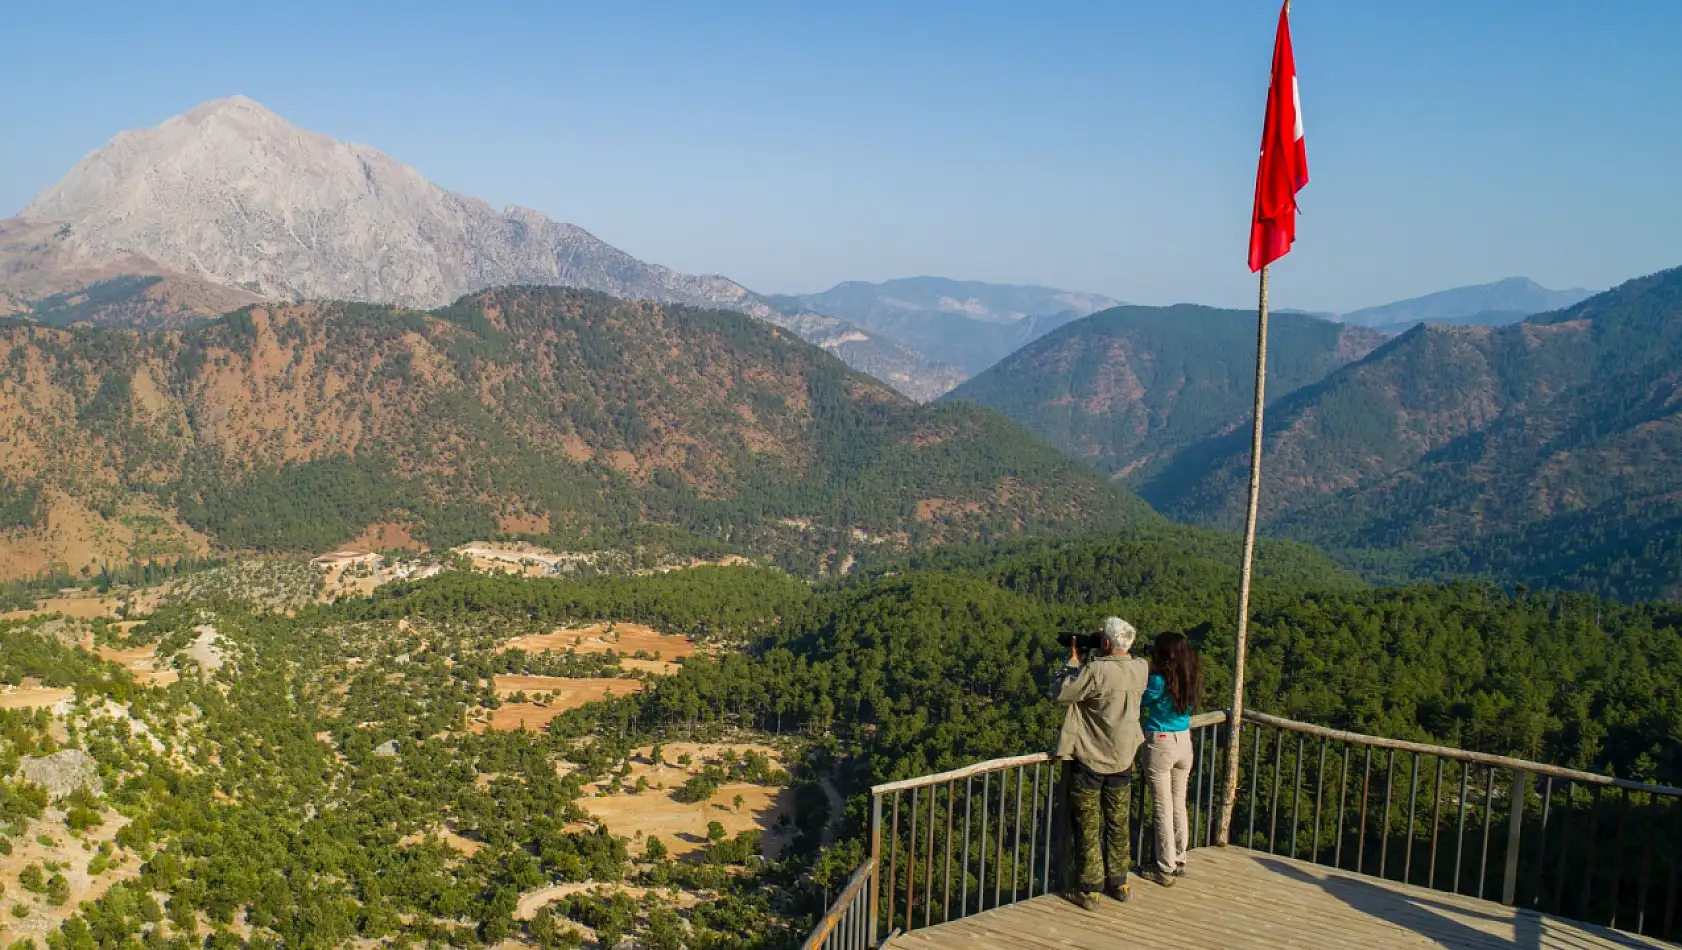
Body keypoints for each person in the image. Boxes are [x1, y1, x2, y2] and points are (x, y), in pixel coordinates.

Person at [1051, 616, 1149, 911]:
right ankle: (1119, 881)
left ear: (1105, 643)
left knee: (1088, 825)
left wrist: (1075, 658)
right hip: (1124, 758)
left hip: (1092, 758)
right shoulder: (1140, 668)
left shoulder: (1096, 671)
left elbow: (1060, 693)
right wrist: (1105, 645)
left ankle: (1090, 889)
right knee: (1118, 823)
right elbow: (1119, 662)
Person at [1138, 631, 1204, 887]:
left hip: (1161, 742)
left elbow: (1141, 699)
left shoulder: (1158, 681)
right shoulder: (1191, 675)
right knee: (1178, 803)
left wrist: (1150, 669)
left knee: (1162, 807)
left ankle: (1164, 867)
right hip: (1184, 741)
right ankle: (1179, 858)